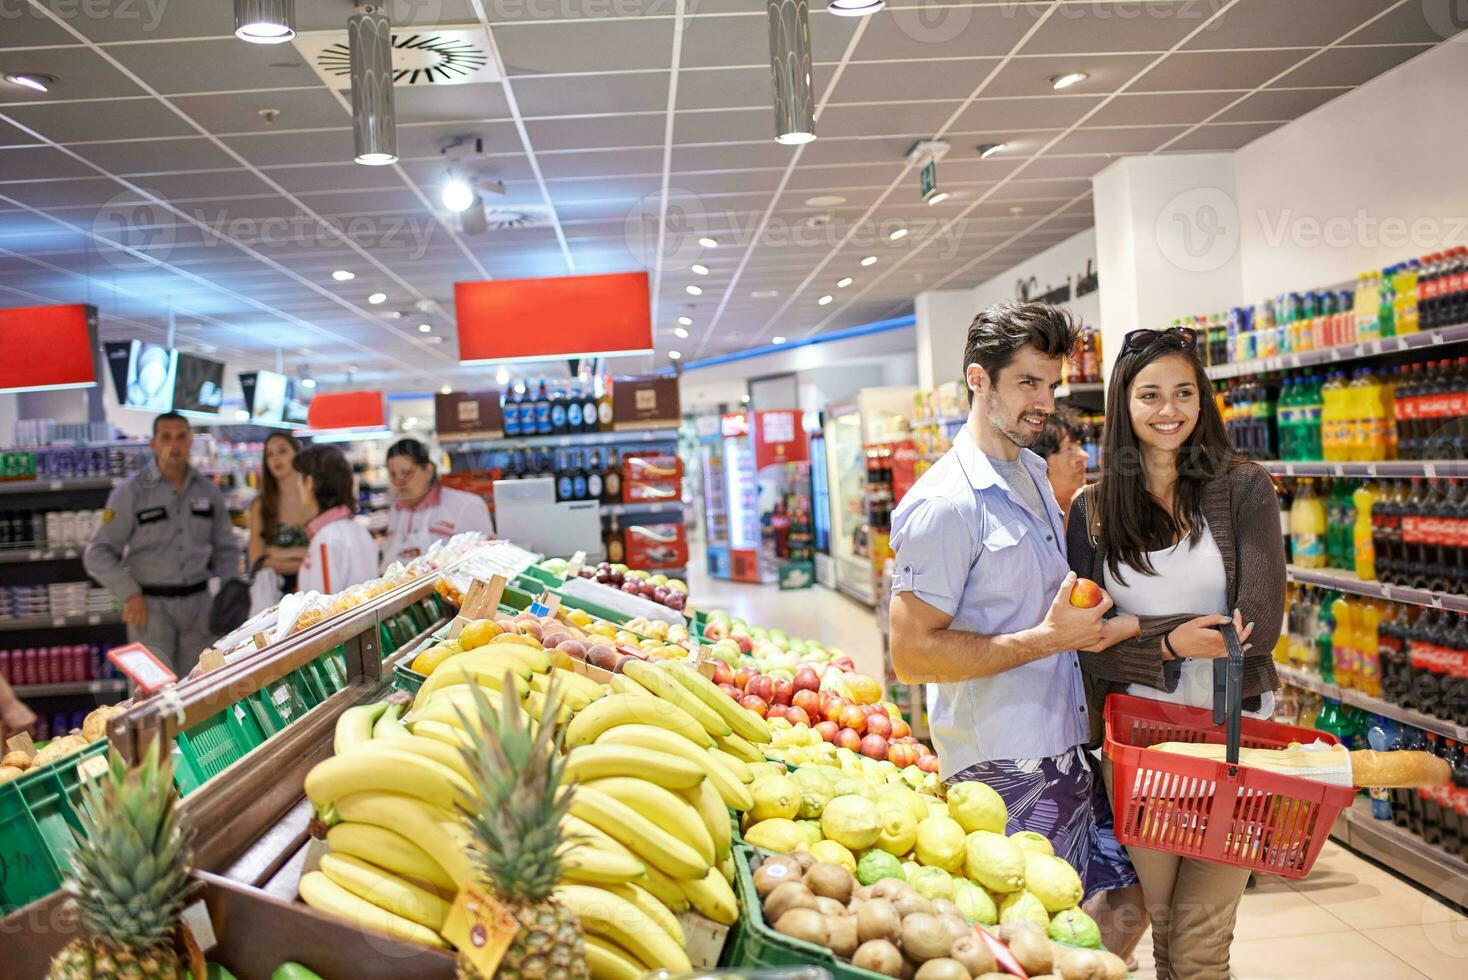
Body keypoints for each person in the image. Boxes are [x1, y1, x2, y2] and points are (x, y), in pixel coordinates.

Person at [888, 302, 1136, 904]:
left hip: (1066, 740)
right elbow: (912, 656)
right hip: (1003, 766)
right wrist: (1054, 637)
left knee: (1122, 901)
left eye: (1051, 384)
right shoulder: (946, 504)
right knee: (1037, 936)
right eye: (1027, 382)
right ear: (979, 379)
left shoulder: (1029, 468)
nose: (1045, 403)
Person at [1066, 325, 1285, 980]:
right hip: (1139, 750)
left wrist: (1136, 630)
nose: (1170, 410)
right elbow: (1084, 648)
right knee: (1160, 936)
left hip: (1235, 742)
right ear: (1123, 406)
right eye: (1151, 394)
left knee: (1200, 948)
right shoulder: (1094, 510)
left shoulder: (1244, 488)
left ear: (1203, 399)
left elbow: (1258, 626)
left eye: (1184, 393)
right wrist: (1170, 640)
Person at [85, 412, 241, 676]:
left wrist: (228, 593)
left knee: (204, 690)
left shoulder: (208, 491)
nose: (175, 444)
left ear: (191, 440)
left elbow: (226, 548)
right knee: (154, 695)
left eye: (181, 436)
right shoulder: (129, 493)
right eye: (166, 437)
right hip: (150, 610)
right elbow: (97, 553)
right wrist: (129, 594)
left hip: (200, 611)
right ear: (153, 444)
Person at [379, 438, 493, 570]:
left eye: (406, 473)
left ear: (428, 471)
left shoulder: (466, 505)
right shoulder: (396, 510)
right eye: (393, 474)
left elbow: (487, 560)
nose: (399, 482)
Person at [294, 445, 379, 596]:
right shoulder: (358, 529)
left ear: (310, 481)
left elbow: (323, 607)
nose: (297, 485)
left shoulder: (326, 538)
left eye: (299, 478)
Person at [247, 432, 314, 594]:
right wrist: (306, 559)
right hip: (278, 596)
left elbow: (326, 555)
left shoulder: (315, 496)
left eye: (282, 451)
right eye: (269, 454)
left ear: (297, 454)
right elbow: (257, 562)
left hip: (318, 588)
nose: (276, 458)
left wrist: (280, 554)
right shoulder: (260, 505)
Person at [1031, 406, 1091, 525]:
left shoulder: (1094, 514)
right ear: (1040, 461)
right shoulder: (1028, 521)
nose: (1085, 455)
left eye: (1079, 446)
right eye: (1069, 449)